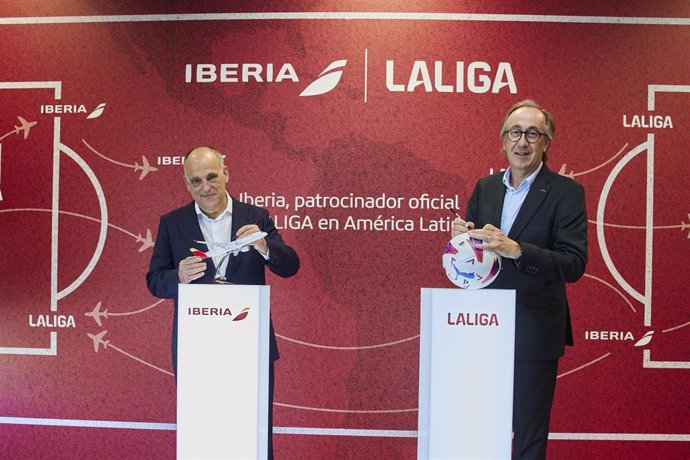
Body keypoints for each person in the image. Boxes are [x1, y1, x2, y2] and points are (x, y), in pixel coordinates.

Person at [451, 100, 587, 459]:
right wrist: (462, 241)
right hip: (483, 329)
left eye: (532, 133)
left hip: (535, 328)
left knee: (528, 436)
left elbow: (573, 264)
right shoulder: (485, 188)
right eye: (515, 132)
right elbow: (476, 264)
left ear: (546, 142)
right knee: (482, 427)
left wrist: (518, 250)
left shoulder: (566, 192)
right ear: (502, 141)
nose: (522, 142)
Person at [146, 146, 300, 458]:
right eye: (196, 181)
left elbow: (290, 266)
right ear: (187, 184)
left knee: (254, 435)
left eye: (212, 176)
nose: (206, 187)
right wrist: (178, 277)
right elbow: (154, 281)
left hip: (249, 344)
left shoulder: (255, 217)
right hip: (197, 347)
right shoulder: (172, 223)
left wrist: (263, 244)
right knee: (203, 435)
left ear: (226, 174)